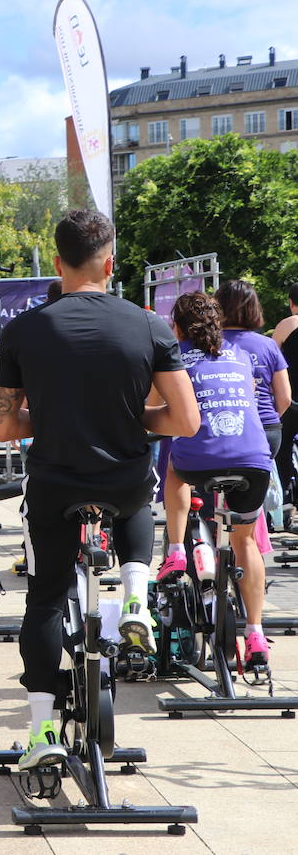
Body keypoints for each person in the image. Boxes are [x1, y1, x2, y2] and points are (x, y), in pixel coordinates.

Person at [0, 209, 199, 771]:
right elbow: (185, 421)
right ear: (110, 263)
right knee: (137, 493)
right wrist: (129, 418)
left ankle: (42, 732)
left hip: (55, 486)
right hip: (125, 481)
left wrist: (58, 417)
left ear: (57, 265)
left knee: (45, 599)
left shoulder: (23, 330)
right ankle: (135, 592)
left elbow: (6, 427)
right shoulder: (150, 326)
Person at [157, 293, 275, 665]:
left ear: (177, 327)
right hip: (255, 460)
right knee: (246, 544)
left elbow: (149, 403)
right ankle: (255, 633)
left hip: (200, 460)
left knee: (175, 466)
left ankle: (176, 550)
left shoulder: (175, 359)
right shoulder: (240, 356)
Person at [215, 280, 290, 459]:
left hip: (221, 428)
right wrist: (264, 419)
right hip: (267, 430)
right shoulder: (268, 345)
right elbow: (285, 398)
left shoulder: (209, 344)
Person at [273, 282, 298, 500]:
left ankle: (286, 500)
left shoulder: (286, 325)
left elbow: (272, 361)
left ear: (292, 303)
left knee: (283, 449)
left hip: (291, 400)